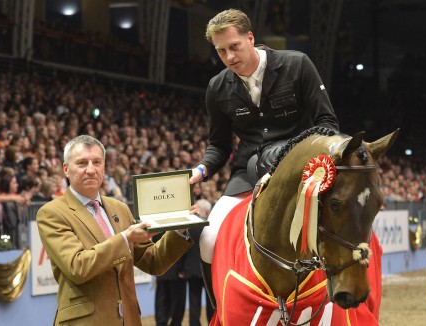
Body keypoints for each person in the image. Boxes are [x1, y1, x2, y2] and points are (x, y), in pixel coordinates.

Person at [188, 8, 339, 306]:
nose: (230, 57)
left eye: (234, 47)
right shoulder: (217, 87)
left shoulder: (298, 64)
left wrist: (298, 154)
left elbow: (328, 125)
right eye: (221, 51)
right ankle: (219, 311)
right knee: (207, 241)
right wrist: (201, 171)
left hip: (303, 170)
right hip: (247, 173)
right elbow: (219, 145)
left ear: (250, 38)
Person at [36, 135, 194, 325]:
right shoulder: (51, 213)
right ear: (66, 169)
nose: (90, 170)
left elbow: (154, 262)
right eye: (82, 163)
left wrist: (179, 228)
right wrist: (126, 238)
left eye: (97, 162)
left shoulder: (120, 208)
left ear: (104, 167)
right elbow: (77, 267)